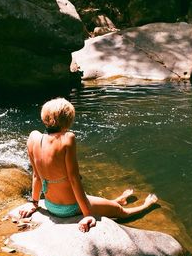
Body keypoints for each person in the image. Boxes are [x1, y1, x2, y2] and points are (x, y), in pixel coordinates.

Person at [19, 97, 158, 232]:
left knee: (97, 201)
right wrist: (88, 215)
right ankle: (147, 205)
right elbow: (73, 180)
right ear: (68, 120)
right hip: (71, 207)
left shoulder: (33, 138)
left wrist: (34, 203)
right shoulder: (67, 139)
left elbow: (36, 175)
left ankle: (116, 200)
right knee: (121, 212)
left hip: (50, 205)